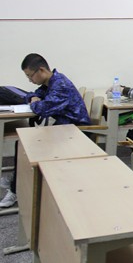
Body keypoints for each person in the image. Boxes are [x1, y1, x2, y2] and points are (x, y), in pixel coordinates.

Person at [0, 53, 91, 208]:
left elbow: (42, 108)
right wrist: (33, 99)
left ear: (41, 70)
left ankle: (16, 189)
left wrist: (34, 101)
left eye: (30, 76)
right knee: (22, 143)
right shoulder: (51, 82)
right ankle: (17, 180)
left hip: (75, 131)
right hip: (63, 128)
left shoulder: (60, 85)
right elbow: (33, 95)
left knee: (24, 144)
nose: (30, 80)